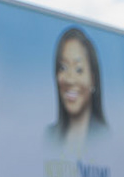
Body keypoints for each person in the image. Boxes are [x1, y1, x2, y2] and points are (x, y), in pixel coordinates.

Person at [43, 27, 106, 159]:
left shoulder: (107, 138)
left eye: (79, 70)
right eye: (63, 67)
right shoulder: (48, 136)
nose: (70, 80)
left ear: (93, 79)